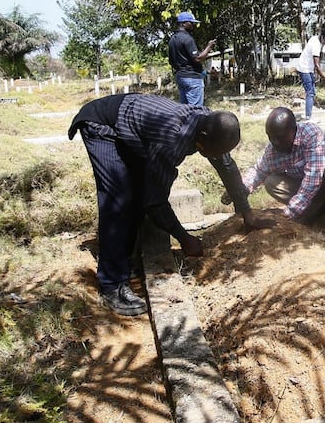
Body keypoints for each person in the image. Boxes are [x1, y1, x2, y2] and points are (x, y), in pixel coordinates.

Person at [68, 93, 271, 317]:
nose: (220, 155)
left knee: (137, 194)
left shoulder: (208, 124)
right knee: (118, 199)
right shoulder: (172, 139)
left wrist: (246, 211)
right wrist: (183, 238)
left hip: (131, 128)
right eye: (217, 150)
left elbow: (227, 166)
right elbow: (155, 202)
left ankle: (125, 258)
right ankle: (112, 284)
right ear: (203, 137)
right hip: (102, 127)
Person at [242, 107, 325, 240]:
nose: (276, 142)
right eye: (271, 137)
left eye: (280, 137)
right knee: (271, 182)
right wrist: (242, 189)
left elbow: (314, 177)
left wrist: (292, 211)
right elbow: (259, 170)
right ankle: (322, 206)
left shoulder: (311, 134)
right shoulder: (273, 149)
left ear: (293, 130)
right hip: (316, 188)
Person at [168, 11, 216, 107]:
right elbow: (197, 59)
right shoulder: (187, 38)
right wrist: (209, 47)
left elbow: (172, 61)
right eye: (191, 22)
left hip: (180, 77)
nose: (193, 25)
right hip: (192, 79)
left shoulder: (173, 39)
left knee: (185, 110)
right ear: (184, 23)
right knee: (195, 111)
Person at [296, 27, 325, 120]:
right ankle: (308, 118)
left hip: (308, 68)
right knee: (310, 93)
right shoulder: (316, 45)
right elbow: (317, 66)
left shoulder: (315, 38)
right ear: (324, 38)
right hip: (304, 68)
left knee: (312, 90)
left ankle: (310, 112)